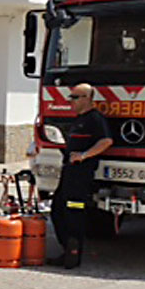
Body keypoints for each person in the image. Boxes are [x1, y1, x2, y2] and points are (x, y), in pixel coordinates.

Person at [48, 83, 112, 269]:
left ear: (87, 99)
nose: (71, 101)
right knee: (58, 210)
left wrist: (83, 156)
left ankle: (73, 252)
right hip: (69, 171)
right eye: (71, 97)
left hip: (81, 173)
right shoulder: (79, 119)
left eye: (75, 97)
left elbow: (106, 141)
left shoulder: (95, 119)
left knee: (74, 210)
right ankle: (67, 247)